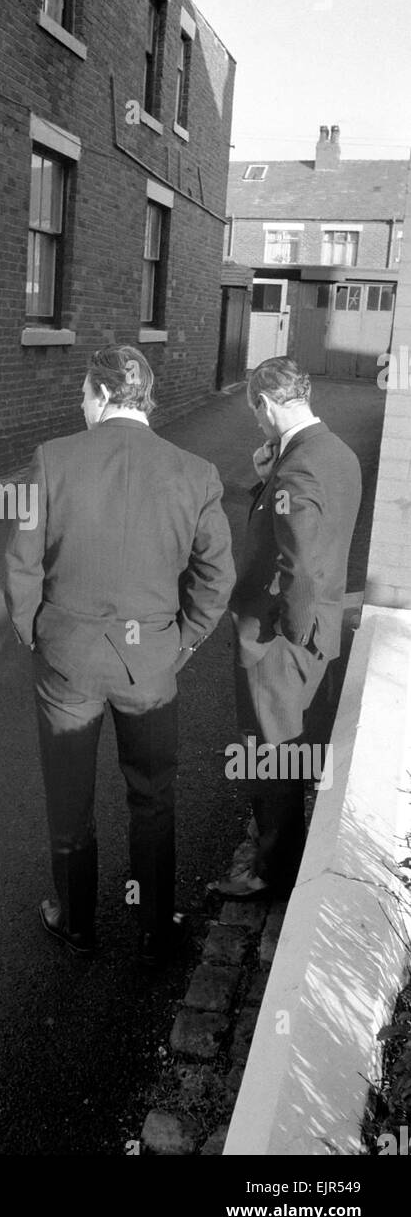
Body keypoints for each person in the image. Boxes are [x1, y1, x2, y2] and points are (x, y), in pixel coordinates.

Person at [5, 345, 235, 966]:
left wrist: (35, 635)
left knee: (70, 796)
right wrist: (184, 641)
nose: (81, 406)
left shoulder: (54, 460)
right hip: (151, 662)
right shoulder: (195, 472)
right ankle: (157, 925)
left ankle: (77, 920)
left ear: (104, 396)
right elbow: (215, 578)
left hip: (68, 659)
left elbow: (22, 564)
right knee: (154, 796)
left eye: (84, 394)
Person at [208, 357, 362, 900]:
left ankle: (272, 873)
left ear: (267, 404)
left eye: (255, 412)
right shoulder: (334, 453)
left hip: (281, 638)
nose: (256, 422)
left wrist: (288, 638)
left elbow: (295, 565)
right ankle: (282, 848)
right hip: (320, 625)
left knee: (269, 751)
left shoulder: (297, 470)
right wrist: (264, 473)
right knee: (291, 744)